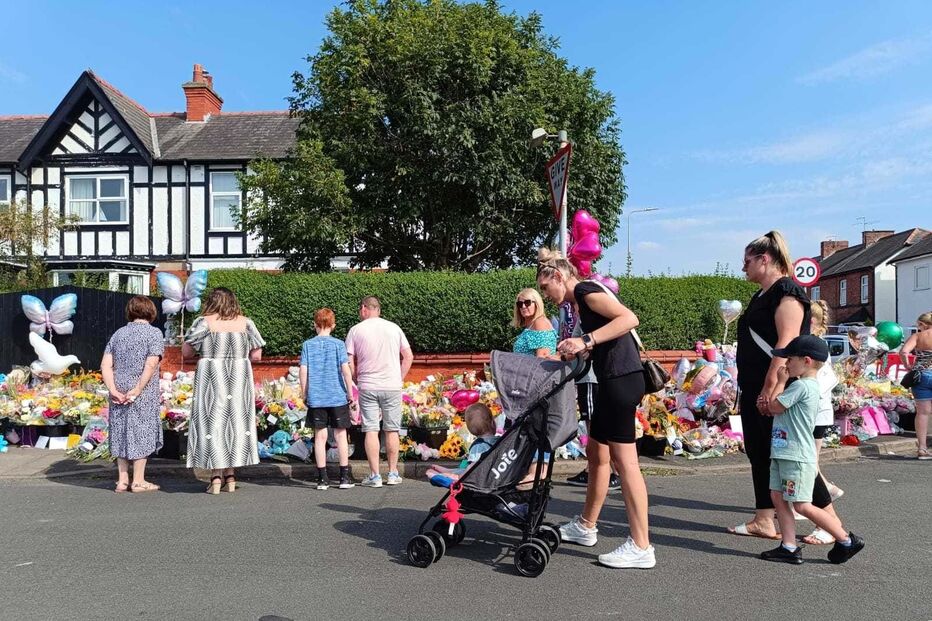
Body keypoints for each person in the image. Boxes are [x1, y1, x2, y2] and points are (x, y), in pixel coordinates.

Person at [537, 248, 655, 570]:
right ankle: (586, 526)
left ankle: (641, 546)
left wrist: (586, 340)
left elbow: (629, 319)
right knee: (596, 454)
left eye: (546, 288)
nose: (546, 296)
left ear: (558, 276)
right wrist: (571, 352)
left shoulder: (586, 291)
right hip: (611, 380)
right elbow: (602, 341)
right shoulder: (580, 301)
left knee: (625, 463)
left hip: (621, 380)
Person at [729, 231, 835, 540]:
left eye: (747, 261)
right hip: (754, 385)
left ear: (765, 259)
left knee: (791, 454)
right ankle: (764, 518)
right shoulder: (762, 295)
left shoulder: (787, 292)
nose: (743, 267)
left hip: (776, 387)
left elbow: (784, 344)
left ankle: (829, 522)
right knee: (760, 452)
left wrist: (771, 387)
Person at [760, 335, 865, 565]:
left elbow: (775, 406)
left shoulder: (801, 386)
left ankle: (846, 539)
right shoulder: (807, 386)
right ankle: (788, 546)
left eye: (790, 359)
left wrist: (780, 382)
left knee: (801, 504)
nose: (786, 364)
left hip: (796, 455)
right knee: (777, 496)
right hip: (784, 451)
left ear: (806, 361)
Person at [183, 287, 265, 494]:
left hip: (211, 376)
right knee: (235, 423)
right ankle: (230, 475)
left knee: (212, 423)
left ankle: (216, 476)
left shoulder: (204, 322)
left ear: (211, 302)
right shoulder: (246, 323)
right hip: (238, 377)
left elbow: (186, 352)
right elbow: (257, 356)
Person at [345, 296, 414, 487]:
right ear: (378, 309)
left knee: (371, 429)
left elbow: (349, 360)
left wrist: (356, 378)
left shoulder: (355, 330)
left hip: (368, 385)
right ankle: (392, 473)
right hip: (392, 385)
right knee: (392, 429)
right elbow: (408, 356)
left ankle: (375, 476)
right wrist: (399, 377)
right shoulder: (394, 328)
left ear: (364, 308)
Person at [100, 296, 164, 493]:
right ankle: (138, 481)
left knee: (121, 430)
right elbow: (151, 364)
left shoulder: (118, 334)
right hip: (142, 390)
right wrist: (138, 388)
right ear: (151, 312)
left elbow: (105, 365)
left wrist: (113, 390)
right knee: (142, 431)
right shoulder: (154, 333)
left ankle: (122, 480)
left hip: (119, 388)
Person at [560, 305, 621, 491]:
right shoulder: (585, 319)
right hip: (590, 377)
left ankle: (608, 472)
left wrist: (581, 347)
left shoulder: (594, 319)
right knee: (595, 425)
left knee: (595, 426)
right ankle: (597, 469)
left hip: (591, 377)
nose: (575, 308)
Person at [801, 300, 846, 545]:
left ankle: (826, 523)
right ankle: (825, 494)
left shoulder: (815, 347)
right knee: (810, 464)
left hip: (814, 413)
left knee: (810, 466)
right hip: (814, 412)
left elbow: (823, 381)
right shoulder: (815, 344)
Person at [300, 308, 357, 490]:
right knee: (341, 435)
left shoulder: (307, 345)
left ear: (315, 325)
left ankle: (322, 478)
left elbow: (303, 370)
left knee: (320, 436)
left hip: (317, 396)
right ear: (333, 325)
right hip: (337, 396)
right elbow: (346, 371)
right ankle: (344, 477)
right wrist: (350, 393)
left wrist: (304, 392)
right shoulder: (338, 344)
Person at [425, 403, 499, 486]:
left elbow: (473, 467)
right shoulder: (499, 441)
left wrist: (460, 477)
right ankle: (450, 471)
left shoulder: (479, 446)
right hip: (492, 473)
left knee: (431, 473)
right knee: (464, 467)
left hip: (477, 476)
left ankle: (453, 475)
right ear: (493, 423)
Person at [900, 312, 932, 459]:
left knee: (923, 413)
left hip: (921, 375)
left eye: (919, 325)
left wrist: (908, 366)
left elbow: (903, 352)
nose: (918, 327)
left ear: (924, 324)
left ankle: (922, 448)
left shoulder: (917, 337)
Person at [511, 288, 558, 358]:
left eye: (527, 303)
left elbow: (543, 356)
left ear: (537, 304)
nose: (523, 306)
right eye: (520, 304)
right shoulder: (531, 326)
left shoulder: (540, 322)